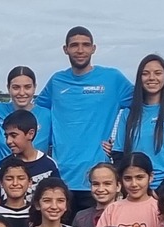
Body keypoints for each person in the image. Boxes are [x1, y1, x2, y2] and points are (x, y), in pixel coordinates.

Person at [43, 27, 132, 187]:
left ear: (93, 48)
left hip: (98, 179)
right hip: (61, 176)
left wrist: (120, 144)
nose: (80, 50)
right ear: (65, 49)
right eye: (74, 45)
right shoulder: (57, 81)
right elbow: (37, 114)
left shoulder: (112, 78)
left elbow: (144, 107)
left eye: (85, 45)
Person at [107, 54, 164, 187]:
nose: (152, 78)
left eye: (158, 73)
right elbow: (119, 155)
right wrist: (131, 187)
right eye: (145, 73)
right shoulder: (128, 113)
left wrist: (161, 191)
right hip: (137, 189)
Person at [0, 65, 58, 168]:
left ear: (34, 87)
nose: (22, 93)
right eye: (16, 87)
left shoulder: (47, 116)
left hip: (36, 175)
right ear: (8, 88)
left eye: (27, 87)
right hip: (4, 175)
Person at [0, 110, 58, 195]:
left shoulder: (49, 165)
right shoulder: (2, 165)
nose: (8, 141)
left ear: (30, 134)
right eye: (6, 136)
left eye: (13, 135)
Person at [0, 160, 37, 227]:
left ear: (30, 182)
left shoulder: (36, 215)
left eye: (21, 178)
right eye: (9, 179)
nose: (15, 183)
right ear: (1, 183)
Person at [71, 162, 118, 227]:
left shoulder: (126, 214)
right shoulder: (81, 218)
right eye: (96, 184)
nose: (100, 189)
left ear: (118, 186)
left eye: (107, 184)